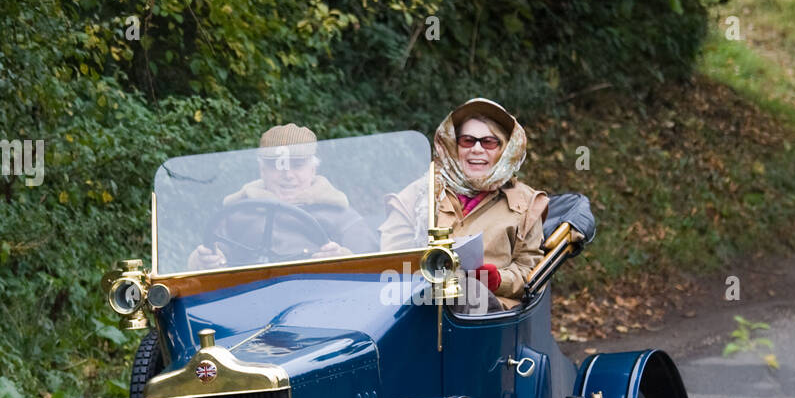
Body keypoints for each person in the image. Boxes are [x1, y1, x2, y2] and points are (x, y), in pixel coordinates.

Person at [379, 98, 548, 310]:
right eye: (467, 141)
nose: (477, 149)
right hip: (417, 306)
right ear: (453, 146)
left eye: (488, 142)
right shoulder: (420, 193)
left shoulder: (526, 203)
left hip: (484, 318)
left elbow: (531, 271)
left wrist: (497, 279)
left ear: (504, 150)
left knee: (471, 292)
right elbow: (389, 261)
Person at [188, 124, 376, 270]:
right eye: (278, 166)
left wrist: (342, 259)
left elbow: (375, 264)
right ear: (262, 171)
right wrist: (206, 260)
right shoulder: (238, 212)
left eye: (297, 165)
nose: (288, 175)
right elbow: (212, 254)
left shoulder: (340, 214)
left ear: (313, 169)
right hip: (249, 304)